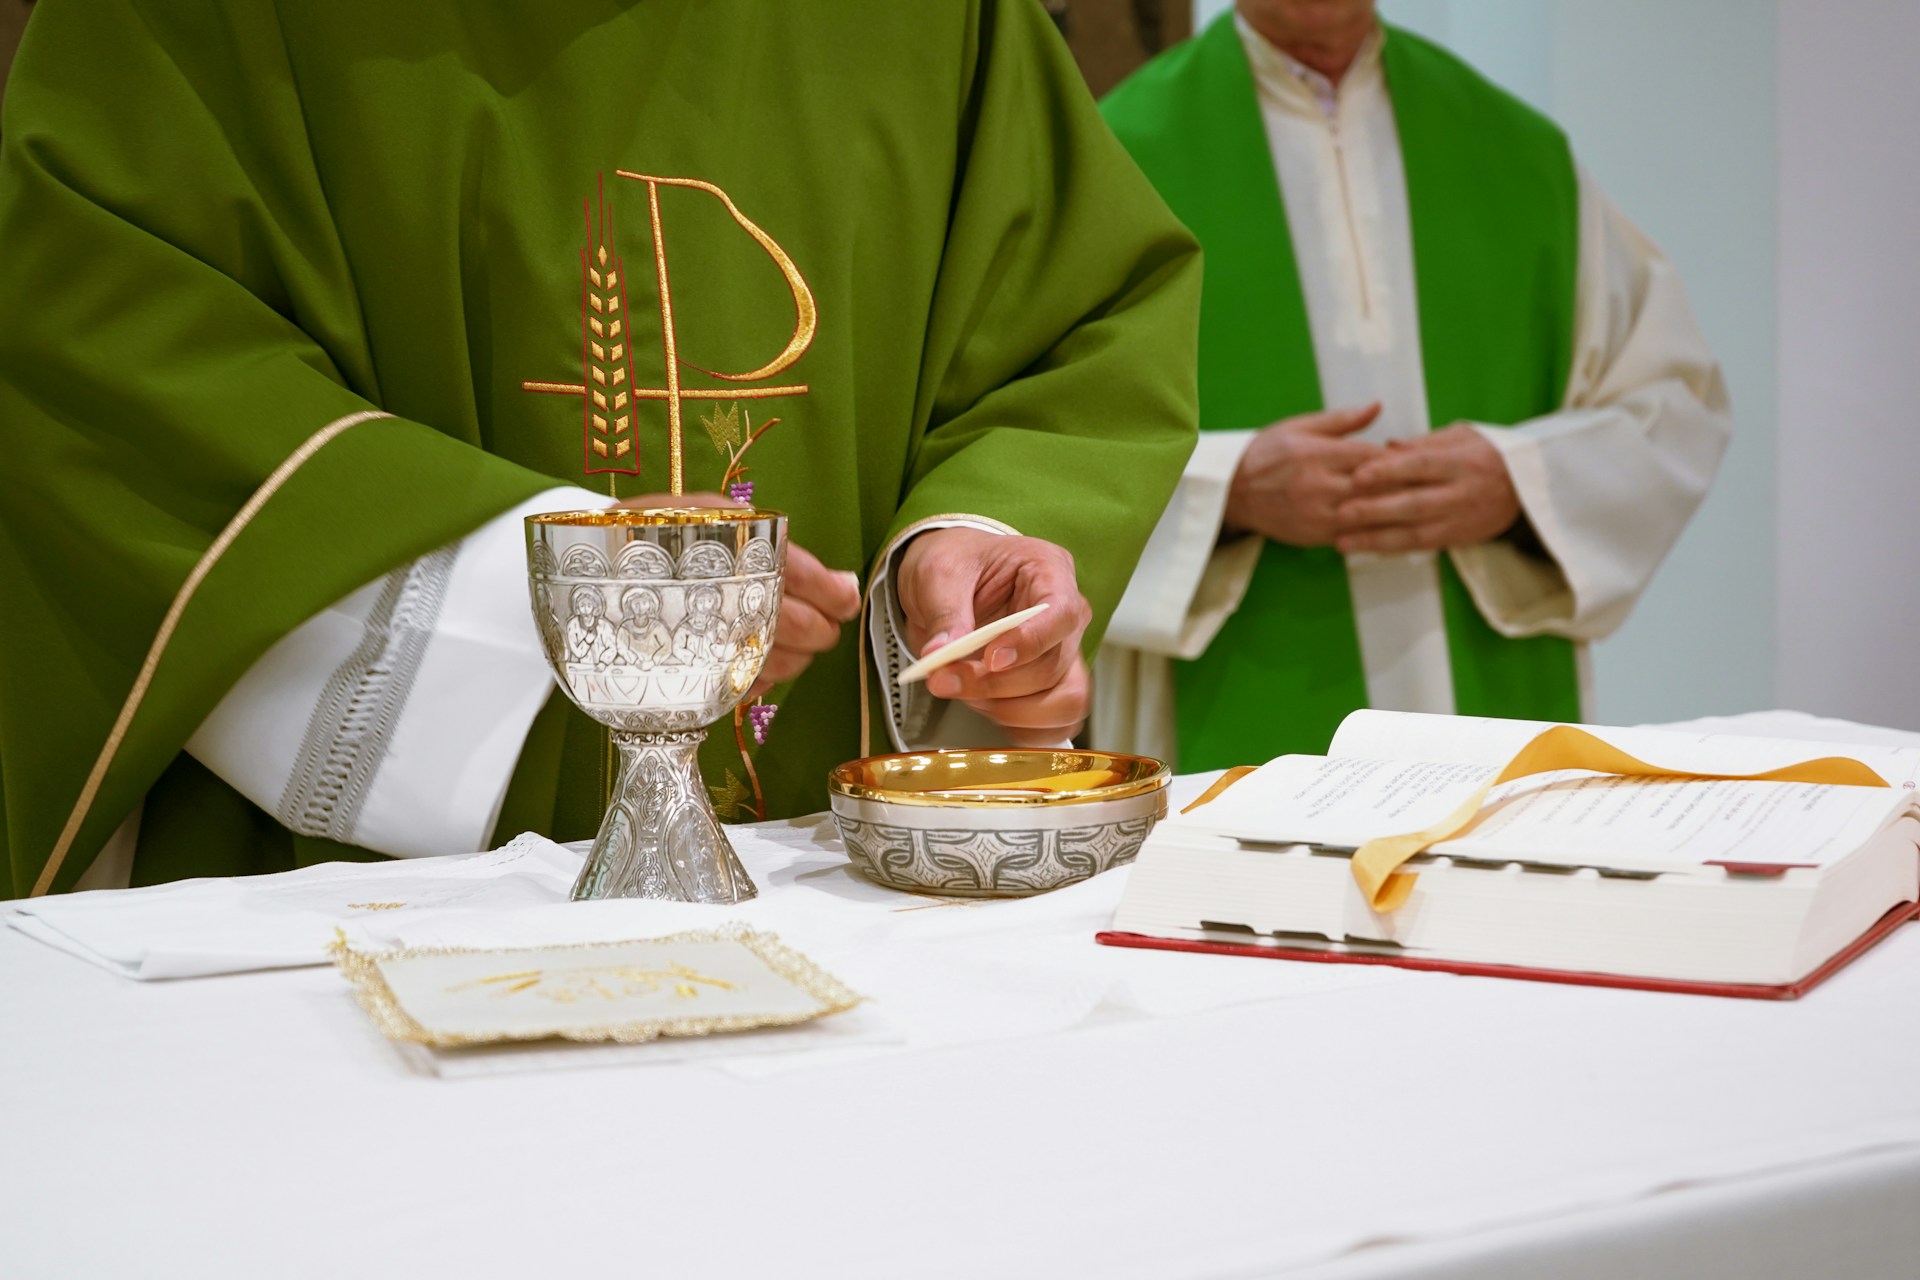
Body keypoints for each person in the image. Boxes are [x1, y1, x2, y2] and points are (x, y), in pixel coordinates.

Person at [0, 0, 1200, 894]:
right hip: (365, 914)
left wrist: (959, 557)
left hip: (826, 890)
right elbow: (96, 356)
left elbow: (1072, 327)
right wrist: (529, 591)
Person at [1093, 0, 1731, 770]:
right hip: (1228, 695)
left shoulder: (1515, 149)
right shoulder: (1120, 156)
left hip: (1486, 700)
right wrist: (1228, 489)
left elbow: (1675, 405)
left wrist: (1518, 478)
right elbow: (1043, 442)